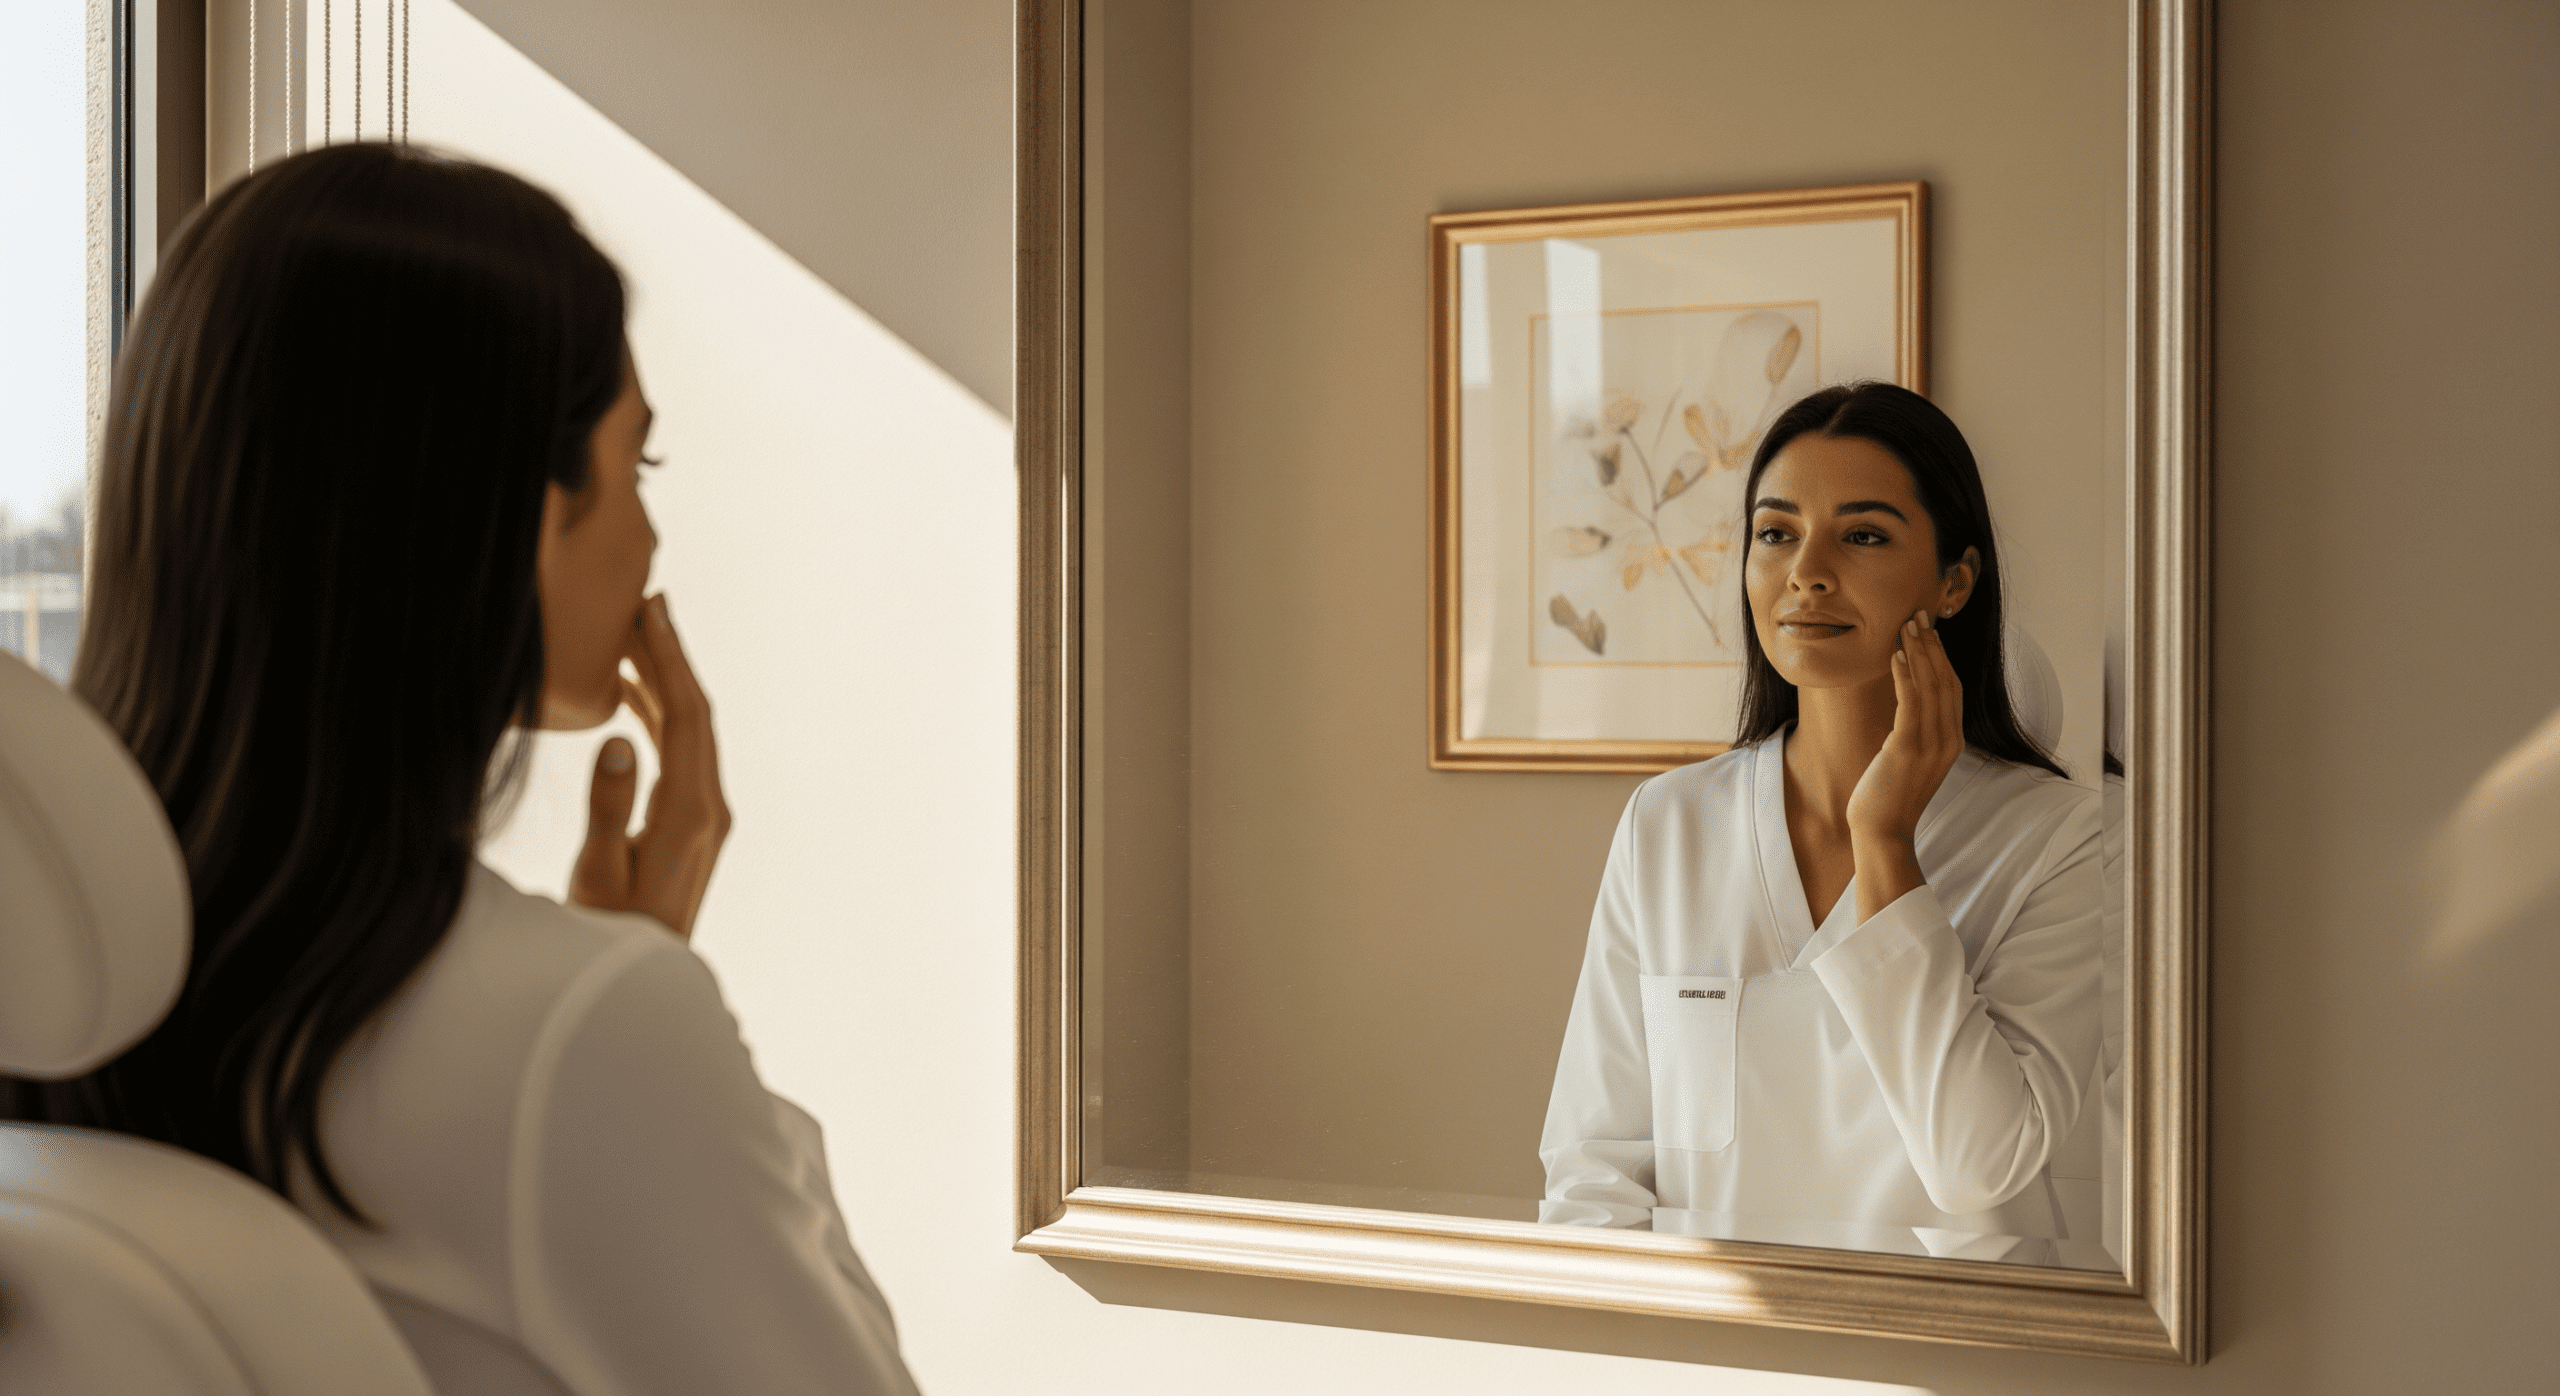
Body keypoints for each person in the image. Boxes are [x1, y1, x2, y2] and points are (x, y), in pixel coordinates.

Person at [0, 144, 920, 1394]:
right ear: (522, 514)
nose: (650, 538)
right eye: (635, 468)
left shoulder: (44, 1008)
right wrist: (642, 989)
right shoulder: (582, 1034)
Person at [1539, 381, 2102, 1264]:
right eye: (1776, 533)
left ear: (1955, 581)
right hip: (1713, 1335)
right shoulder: (1668, 823)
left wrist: (1886, 845)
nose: (1807, 570)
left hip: (1958, 1337)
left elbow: (1979, 1167)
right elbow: (1593, 1175)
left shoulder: (2064, 839)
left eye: (1864, 534)